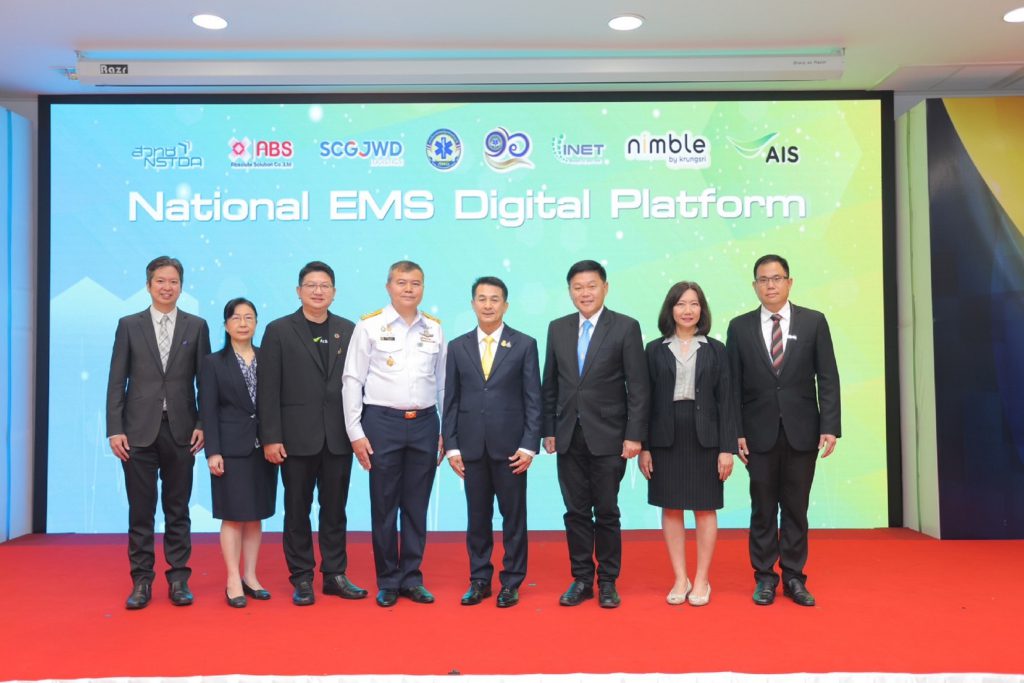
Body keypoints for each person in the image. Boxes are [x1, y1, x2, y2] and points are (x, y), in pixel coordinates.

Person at [726, 254, 840, 607]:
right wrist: (735, 432)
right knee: (762, 509)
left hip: (802, 431)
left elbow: (828, 376)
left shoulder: (813, 322)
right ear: (754, 286)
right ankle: (764, 577)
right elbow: (732, 385)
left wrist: (830, 426)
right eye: (763, 279)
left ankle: (793, 577)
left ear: (789, 282)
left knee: (795, 508)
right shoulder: (739, 327)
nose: (770, 285)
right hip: (756, 434)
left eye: (776, 278)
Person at [258, 261, 367, 606]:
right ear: (298, 291)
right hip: (294, 438)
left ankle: (334, 574)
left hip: (337, 437)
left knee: (335, 510)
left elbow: (360, 385)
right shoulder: (279, 330)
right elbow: (268, 389)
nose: (318, 291)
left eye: (324, 286)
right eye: (311, 285)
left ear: (334, 292)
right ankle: (302, 577)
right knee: (297, 510)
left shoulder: (349, 330)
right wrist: (271, 437)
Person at [541, 259, 649, 608]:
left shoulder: (625, 327)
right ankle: (581, 579)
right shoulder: (558, 328)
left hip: (610, 436)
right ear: (570, 291)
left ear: (605, 288)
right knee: (574, 512)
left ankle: (607, 581)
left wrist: (634, 435)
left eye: (591, 286)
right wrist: (548, 429)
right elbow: (550, 383)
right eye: (578, 287)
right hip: (567, 435)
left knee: (606, 511)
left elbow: (638, 387)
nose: (585, 293)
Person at [106, 255, 211, 609]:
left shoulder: (196, 326)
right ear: (149, 285)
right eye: (161, 281)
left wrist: (202, 424)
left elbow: (205, 383)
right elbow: (116, 380)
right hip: (137, 432)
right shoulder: (129, 325)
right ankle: (141, 581)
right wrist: (115, 429)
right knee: (141, 510)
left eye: (174, 281)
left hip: (182, 432)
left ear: (182, 286)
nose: (168, 287)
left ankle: (179, 579)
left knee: (178, 509)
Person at [342, 260, 446, 608]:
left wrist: (447, 430)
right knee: (384, 505)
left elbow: (444, 384)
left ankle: (412, 577)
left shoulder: (434, 329)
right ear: (388, 286)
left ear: (423, 288)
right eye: (401, 282)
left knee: (416, 506)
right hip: (381, 423)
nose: (408, 289)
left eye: (415, 283)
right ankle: (387, 579)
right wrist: (355, 432)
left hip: (425, 423)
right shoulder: (369, 326)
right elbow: (352, 380)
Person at [442, 276, 541, 608]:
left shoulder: (524, 344)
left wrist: (529, 445)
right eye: (482, 299)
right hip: (471, 448)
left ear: (505, 305)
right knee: (477, 518)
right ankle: (479, 579)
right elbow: (451, 399)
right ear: (473, 304)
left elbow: (533, 398)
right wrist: (452, 446)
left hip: (512, 449)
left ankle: (511, 581)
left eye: (494, 299)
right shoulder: (457, 347)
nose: (488, 305)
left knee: (513, 518)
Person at [638, 281, 736, 607]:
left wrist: (726, 448)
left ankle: (702, 579)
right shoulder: (654, 349)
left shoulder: (716, 349)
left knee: (705, 507)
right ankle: (681, 577)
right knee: (671, 507)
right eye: (680, 304)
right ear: (670, 309)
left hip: (706, 438)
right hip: (665, 438)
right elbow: (645, 401)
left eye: (694, 304)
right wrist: (645, 447)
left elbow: (726, 401)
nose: (687, 310)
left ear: (702, 309)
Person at [199, 298, 276, 608]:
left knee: (255, 515)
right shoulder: (213, 363)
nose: (243, 323)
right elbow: (208, 409)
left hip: (263, 448)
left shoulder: (268, 358)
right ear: (226, 324)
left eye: (249, 317)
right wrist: (212, 452)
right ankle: (233, 578)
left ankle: (250, 576)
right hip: (230, 449)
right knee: (232, 516)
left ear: (256, 323)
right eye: (236, 318)